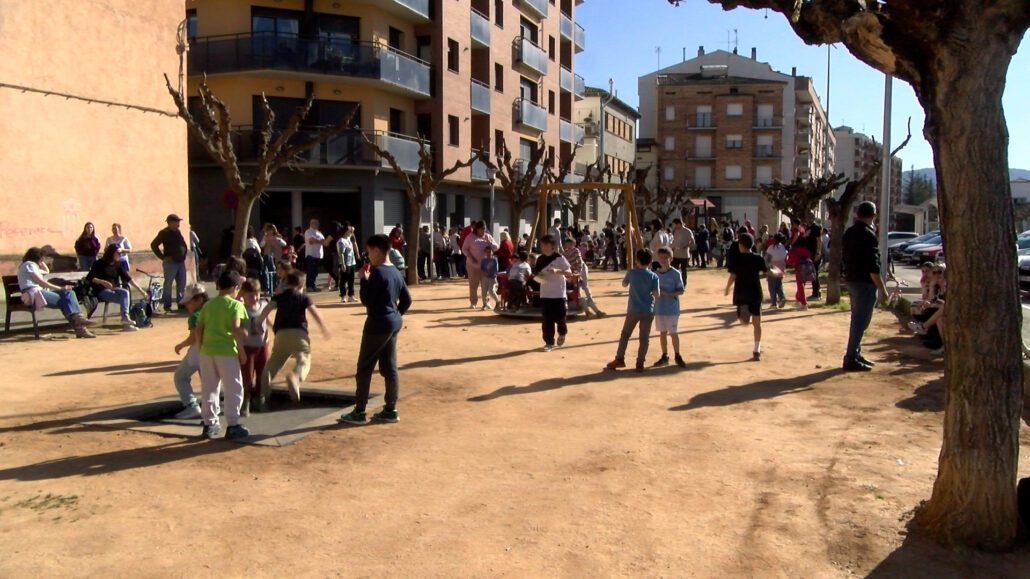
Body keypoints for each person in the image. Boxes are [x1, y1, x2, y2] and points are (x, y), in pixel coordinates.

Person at [339, 234, 412, 425]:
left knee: (364, 367)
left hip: (377, 324)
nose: (368, 255)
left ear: (378, 250)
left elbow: (367, 300)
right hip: (393, 323)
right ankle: (390, 409)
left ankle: (359, 411)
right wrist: (395, 315)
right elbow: (407, 300)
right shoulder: (396, 271)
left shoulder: (378, 273)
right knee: (389, 367)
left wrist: (364, 279)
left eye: (369, 251)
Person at [256, 272, 329, 410]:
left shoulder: (279, 297)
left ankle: (264, 392)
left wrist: (259, 322)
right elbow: (315, 313)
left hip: (281, 334)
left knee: (275, 360)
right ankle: (296, 376)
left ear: (286, 284)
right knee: (304, 358)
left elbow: (266, 309)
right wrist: (323, 328)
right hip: (299, 333)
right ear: (301, 285)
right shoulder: (303, 297)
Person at [194, 270, 250, 440]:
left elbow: (199, 328)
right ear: (234, 287)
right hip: (226, 351)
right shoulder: (236, 305)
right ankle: (233, 424)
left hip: (207, 351)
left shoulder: (208, 305)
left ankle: (209, 424)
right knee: (233, 388)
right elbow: (236, 330)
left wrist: (200, 347)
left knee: (209, 388)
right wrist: (242, 352)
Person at [842, 201, 888, 371]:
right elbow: (873, 267)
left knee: (857, 319)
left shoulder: (850, 232)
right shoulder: (869, 235)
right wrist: (882, 290)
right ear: (873, 215)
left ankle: (855, 352)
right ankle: (851, 357)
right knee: (861, 321)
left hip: (852, 280)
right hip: (865, 283)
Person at [17, 247, 95, 338]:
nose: (44, 260)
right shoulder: (29, 264)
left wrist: (41, 263)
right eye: (42, 258)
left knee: (69, 294)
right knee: (66, 299)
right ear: (37, 257)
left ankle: (79, 323)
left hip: (39, 293)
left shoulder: (33, 266)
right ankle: (80, 325)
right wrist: (60, 288)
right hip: (34, 293)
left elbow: (47, 271)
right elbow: (40, 282)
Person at [606, 249, 660, 372]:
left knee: (625, 334)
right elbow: (657, 294)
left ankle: (619, 359)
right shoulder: (653, 276)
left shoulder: (632, 273)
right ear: (650, 261)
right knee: (644, 338)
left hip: (633, 309)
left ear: (637, 260)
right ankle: (640, 362)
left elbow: (624, 285)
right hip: (648, 310)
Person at [725, 233, 775, 361]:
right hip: (755, 292)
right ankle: (757, 348)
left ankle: (744, 311)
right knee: (757, 323)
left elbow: (733, 276)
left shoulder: (737, 259)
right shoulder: (758, 258)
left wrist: (727, 288)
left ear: (741, 245)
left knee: (744, 322)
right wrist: (777, 272)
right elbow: (767, 272)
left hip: (741, 292)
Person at [85, 244, 147, 331]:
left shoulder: (117, 265)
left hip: (115, 290)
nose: (120, 255)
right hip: (101, 291)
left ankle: (126, 321)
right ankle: (126, 323)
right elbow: (90, 278)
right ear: (111, 253)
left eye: (121, 253)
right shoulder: (98, 264)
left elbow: (128, 278)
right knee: (124, 296)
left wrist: (141, 290)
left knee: (125, 293)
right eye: (118, 253)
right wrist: (102, 282)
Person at [171, 284, 208, 419]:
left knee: (180, 377)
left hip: (197, 352)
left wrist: (181, 345)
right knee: (208, 381)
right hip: (213, 351)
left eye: (189, 302)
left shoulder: (195, 316)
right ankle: (210, 409)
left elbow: (193, 337)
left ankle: (192, 406)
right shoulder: (212, 311)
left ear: (199, 300)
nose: (186, 305)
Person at [533, 235, 572, 352]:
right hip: (545, 294)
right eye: (542, 245)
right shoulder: (540, 259)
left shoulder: (559, 258)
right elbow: (538, 275)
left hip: (558, 293)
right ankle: (548, 342)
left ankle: (562, 333)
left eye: (546, 245)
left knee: (560, 318)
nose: (543, 247)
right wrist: (539, 277)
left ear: (552, 246)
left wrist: (557, 271)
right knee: (547, 320)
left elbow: (569, 273)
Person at [653, 247, 686, 368]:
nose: (663, 260)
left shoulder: (676, 273)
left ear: (670, 259)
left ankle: (677, 354)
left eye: (665, 258)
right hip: (659, 308)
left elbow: (681, 290)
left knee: (673, 332)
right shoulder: (655, 274)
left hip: (671, 308)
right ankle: (664, 355)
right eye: (661, 258)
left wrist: (669, 294)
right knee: (662, 332)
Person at [239, 280, 268, 417]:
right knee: (247, 376)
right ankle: (246, 401)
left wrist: (272, 332)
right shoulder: (240, 308)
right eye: (250, 295)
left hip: (262, 346)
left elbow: (267, 320)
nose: (255, 298)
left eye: (256, 294)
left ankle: (260, 398)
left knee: (262, 374)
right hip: (247, 347)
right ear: (243, 295)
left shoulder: (263, 305)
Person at [151, 214, 189, 311]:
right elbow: (154, 245)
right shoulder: (164, 233)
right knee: (168, 283)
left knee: (182, 283)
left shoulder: (178, 232)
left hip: (181, 262)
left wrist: (184, 254)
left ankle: (181, 303)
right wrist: (163, 257)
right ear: (170, 222)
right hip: (170, 263)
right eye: (176, 221)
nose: (178, 223)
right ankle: (167, 305)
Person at [562, 237, 604, 317]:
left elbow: (579, 262)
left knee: (584, 285)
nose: (568, 245)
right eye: (567, 244)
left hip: (579, 270)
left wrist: (578, 272)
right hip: (571, 273)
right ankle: (592, 311)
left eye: (570, 244)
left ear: (574, 244)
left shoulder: (576, 251)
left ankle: (591, 301)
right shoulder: (564, 253)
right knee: (580, 296)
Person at [462, 221, 497, 309]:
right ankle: (473, 302)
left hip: (486, 266)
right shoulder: (470, 237)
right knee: (473, 284)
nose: (483, 231)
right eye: (482, 229)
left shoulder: (487, 236)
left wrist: (490, 242)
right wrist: (470, 257)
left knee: (486, 285)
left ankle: (486, 302)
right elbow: (464, 249)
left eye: (484, 229)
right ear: (477, 229)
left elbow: (496, 247)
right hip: (473, 265)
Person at [787, 237, 814, 310]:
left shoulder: (795, 250)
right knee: (802, 285)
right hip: (807, 269)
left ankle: (804, 304)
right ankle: (798, 300)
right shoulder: (806, 250)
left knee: (800, 286)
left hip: (799, 269)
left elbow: (790, 260)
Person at [261, 223, 288, 293]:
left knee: (277, 271)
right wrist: (265, 240)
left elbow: (284, 244)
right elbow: (261, 245)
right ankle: (269, 288)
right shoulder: (265, 236)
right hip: (268, 256)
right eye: (268, 230)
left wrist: (278, 240)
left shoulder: (278, 236)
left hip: (277, 256)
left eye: (271, 230)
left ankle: (277, 287)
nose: (270, 232)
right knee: (269, 271)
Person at [764, 233, 788, 309]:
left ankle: (774, 303)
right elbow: (785, 257)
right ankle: (782, 297)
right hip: (781, 267)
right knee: (778, 284)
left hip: (773, 267)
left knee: (772, 286)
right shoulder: (783, 247)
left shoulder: (771, 247)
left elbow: (767, 258)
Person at [337, 224, 358, 303]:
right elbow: (341, 253)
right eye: (350, 231)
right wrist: (343, 264)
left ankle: (351, 295)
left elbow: (354, 240)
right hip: (345, 263)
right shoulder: (341, 241)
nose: (351, 232)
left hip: (352, 262)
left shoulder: (349, 238)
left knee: (351, 280)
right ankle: (343, 296)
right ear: (346, 231)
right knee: (343, 280)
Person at [303, 219, 326, 292]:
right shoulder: (308, 231)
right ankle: (309, 286)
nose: (318, 225)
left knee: (315, 272)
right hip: (311, 254)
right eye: (316, 223)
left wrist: (317, 241)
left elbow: (324, 241)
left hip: (318, 255)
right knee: (310, 271)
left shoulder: (319, 232)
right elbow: (311, 241)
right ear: (312, 224)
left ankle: (313, 285)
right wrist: (319, 241)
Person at [670, 218, 694, 284]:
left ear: (679, 224)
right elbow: (674, 242)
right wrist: (669, 248)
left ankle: (683, 283)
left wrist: (686, 246)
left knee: (683, 270)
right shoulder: (675, 231)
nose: (674, 226)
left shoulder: (687, 231)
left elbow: (692, 242)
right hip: (676, 254)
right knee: (674, 270)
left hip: (684, 255)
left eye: (674, 225)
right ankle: (675, 283)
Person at [479, 245, 500, 311]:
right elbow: (481, 268)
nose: (488, 253)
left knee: (491, 291)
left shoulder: (494, 260)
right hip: (485, 277)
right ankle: (485, 304)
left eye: (490, 251)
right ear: (485, 252)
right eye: (487, 252)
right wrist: (484, 272)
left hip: (492, 278)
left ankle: (497, 301)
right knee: (484, 292)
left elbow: (496, 269)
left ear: (492, 252)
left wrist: (491, 274)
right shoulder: (483, 260)